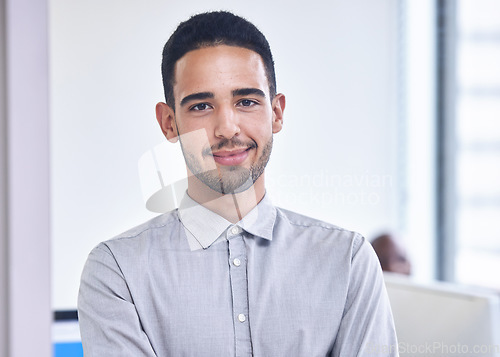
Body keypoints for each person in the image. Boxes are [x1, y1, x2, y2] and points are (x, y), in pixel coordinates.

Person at [78, 11, 398, 356]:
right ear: (169, 123)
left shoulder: (347, 262)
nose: (227, 128)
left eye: (246, 102)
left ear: (276, 113)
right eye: (202, 105)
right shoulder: (117, 272)